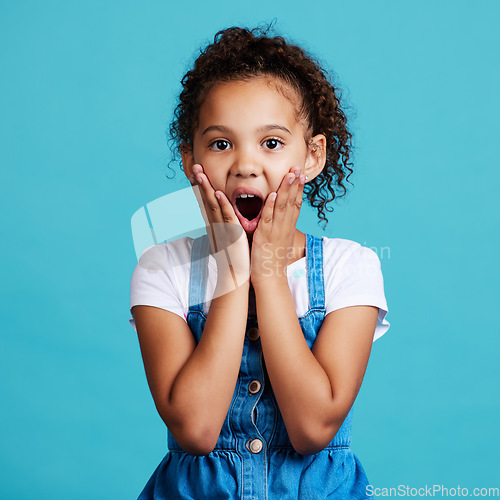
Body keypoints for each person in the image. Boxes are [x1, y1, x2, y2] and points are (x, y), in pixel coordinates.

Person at [129, 25, 390, 499]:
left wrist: (268, 274)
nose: (245, 165)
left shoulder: (350, 267)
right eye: (221, 144)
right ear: (192, 161)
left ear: (312, 157)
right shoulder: (160, 268)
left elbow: (313, 428)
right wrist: (232, 269)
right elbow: (196, 429)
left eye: (270, 143)